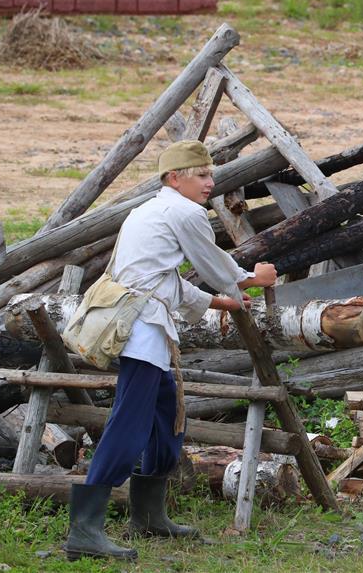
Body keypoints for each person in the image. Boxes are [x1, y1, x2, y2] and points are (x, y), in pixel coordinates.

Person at [64, 140, 277, 560]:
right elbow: (214, 264)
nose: (210, 184)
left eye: (211, 176)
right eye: (201, 176)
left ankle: (149, 517)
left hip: (150, 327)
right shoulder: (185, 212)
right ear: (173, 178)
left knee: (168, 420)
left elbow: (163, 279)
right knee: (129, 425)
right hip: (142, 332)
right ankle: (84, 532)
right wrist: (251, 278)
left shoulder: (147, 212)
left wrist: (220, 302)